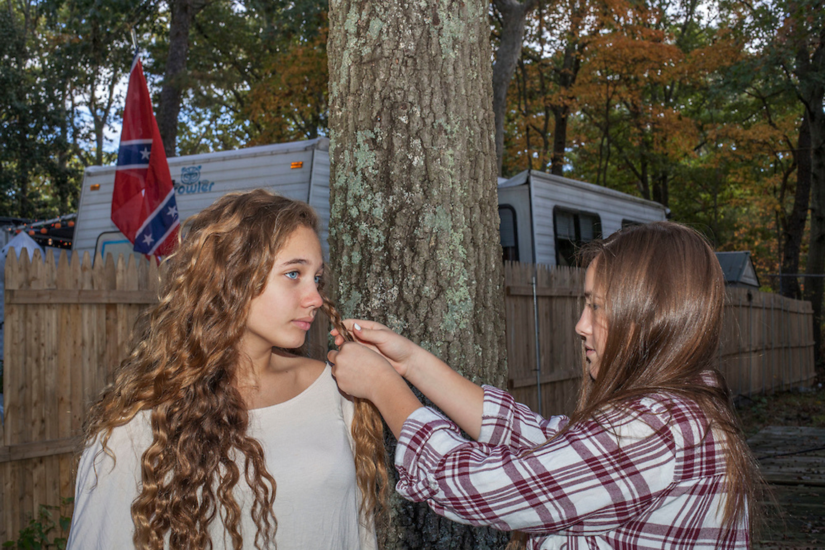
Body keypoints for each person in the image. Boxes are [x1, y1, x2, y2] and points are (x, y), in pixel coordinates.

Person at [328, 221, 762, 549]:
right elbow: (543, 443)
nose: (581, 325)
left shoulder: (656, 429)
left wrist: (383, 387)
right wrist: (412, 363)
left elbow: (481, 486)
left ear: (645, 317)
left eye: (597, 307)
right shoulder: (682, 407)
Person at [67, 190, 387, 550]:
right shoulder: (138, 426)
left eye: (317, 279)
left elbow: (359, 532)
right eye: (294, 273)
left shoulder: (335, 388)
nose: (314, 297)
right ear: (231, 276)